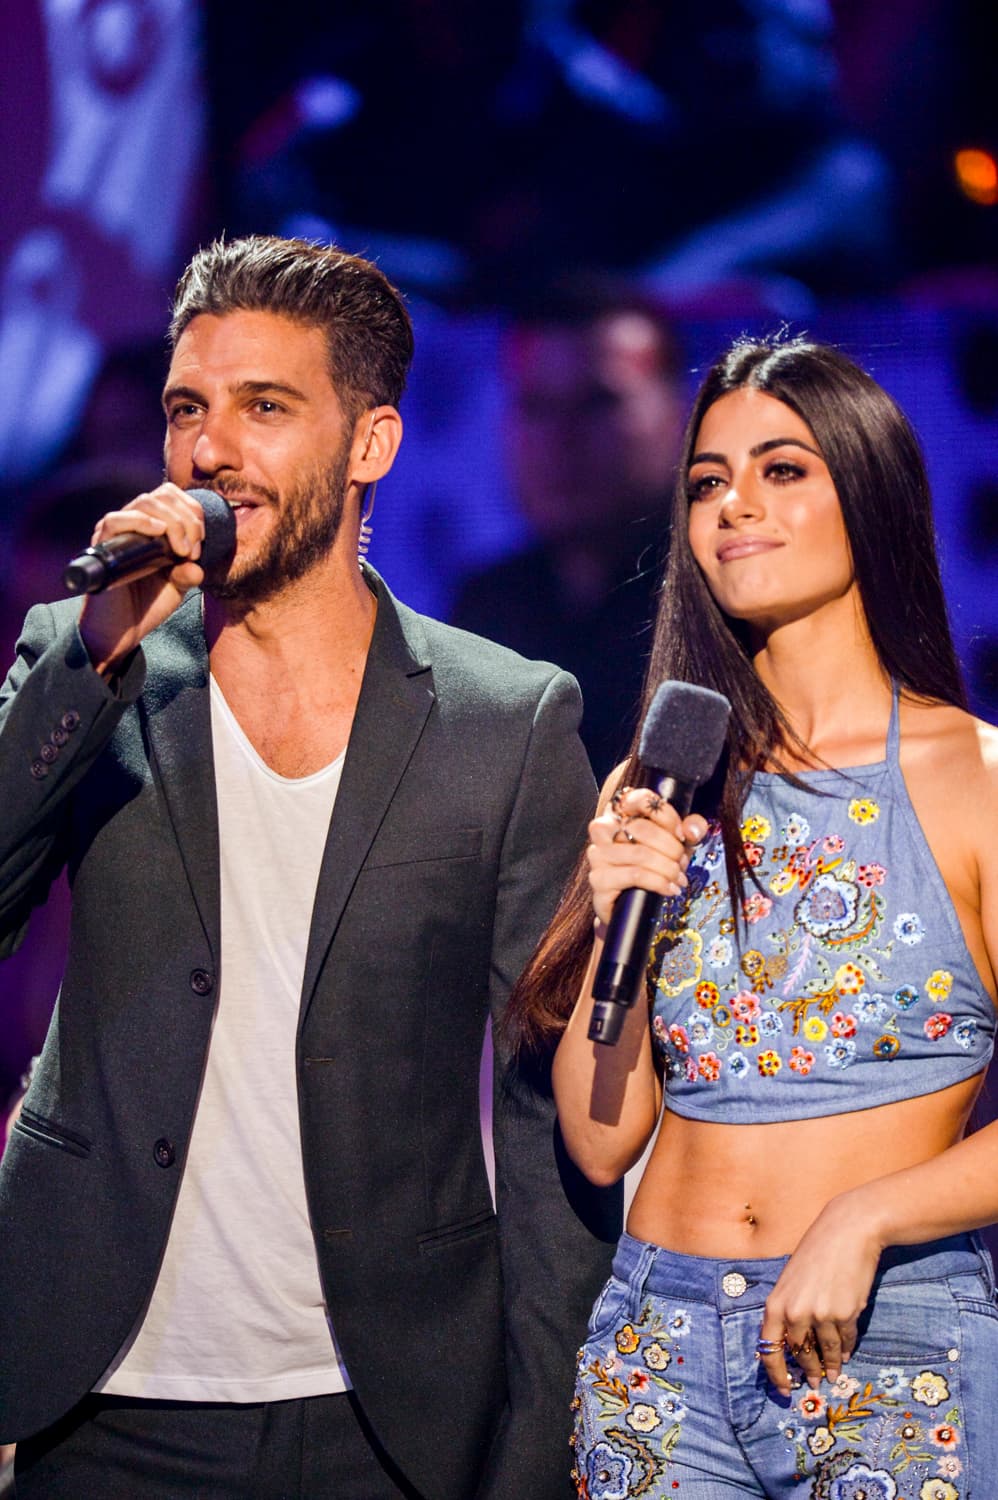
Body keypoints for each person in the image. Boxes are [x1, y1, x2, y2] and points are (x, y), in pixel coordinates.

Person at [0, 234, 619, 1499]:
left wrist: (532, 1448)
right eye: (187, 408)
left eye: (264, 408)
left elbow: (542, 1113)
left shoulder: (505, 719)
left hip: (383, 1412)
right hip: (99, 1396)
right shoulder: (89, 658)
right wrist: (94, 655)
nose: (210, 450)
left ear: (371, 442)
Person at [509, 335, 998, 1498]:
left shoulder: (971, 778)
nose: (733, 505)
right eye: (706, 482)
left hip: (879, 1342)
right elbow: (598, 1140)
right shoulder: (663, 776)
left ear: (868, 492)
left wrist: (867, 1216)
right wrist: (615, 920)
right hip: (654, 1351)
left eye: (781, 470)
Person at [450, 295, 684, 781]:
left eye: (599, 403)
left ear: (678, 415)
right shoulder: (486, 607)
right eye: (538, 407)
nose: (561, 439)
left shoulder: (719, 605)